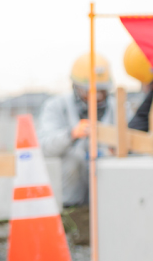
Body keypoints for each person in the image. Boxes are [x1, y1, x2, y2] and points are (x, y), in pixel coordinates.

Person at [36, 53, 115, 207]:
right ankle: (72, 215)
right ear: (76, 87)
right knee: (73, 161)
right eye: (90, 91)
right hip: (69, 193)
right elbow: (44, 147)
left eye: (102, 91)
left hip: (108, 198)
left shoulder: (118, 108)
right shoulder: (56, 107)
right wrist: (71, 135)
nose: (97, 97)